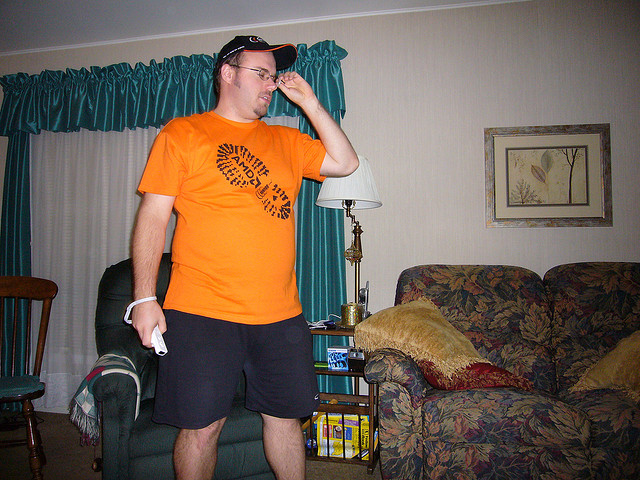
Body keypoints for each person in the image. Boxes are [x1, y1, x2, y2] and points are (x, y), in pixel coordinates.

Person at [129, 35, 359, 480]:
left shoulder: (287, 140)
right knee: (201, 428)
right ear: (228, 73)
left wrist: (310, 103)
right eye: (262, 74)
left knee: (286, 421)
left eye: (274, 76)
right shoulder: (182, 134)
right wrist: (144, 298)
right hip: (201, 311)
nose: (271, 84)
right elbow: (153, 217)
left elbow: (346, 162)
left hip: (280, 314)